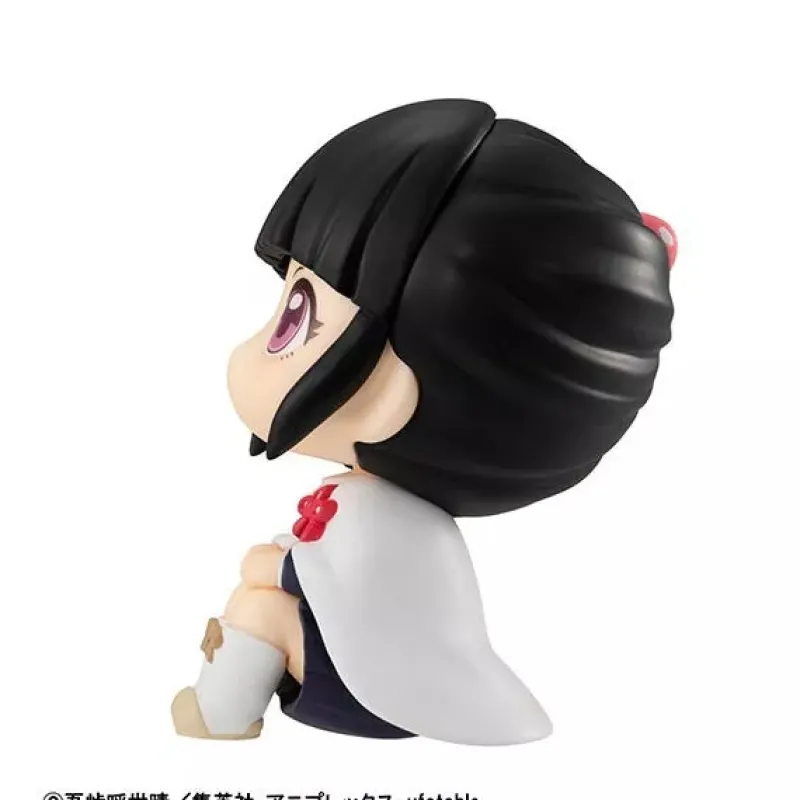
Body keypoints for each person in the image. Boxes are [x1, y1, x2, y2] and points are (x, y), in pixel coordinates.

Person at [171, 99, 676, 744]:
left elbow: (327, 580)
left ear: (391, 395)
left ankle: (218, 717)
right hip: (357, 660)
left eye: (298, 317)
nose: (258, 345)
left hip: (372, 692)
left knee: (256, 611)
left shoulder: (387, 519)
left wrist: (272, 568)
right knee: (258, 602)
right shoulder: (380, 507)